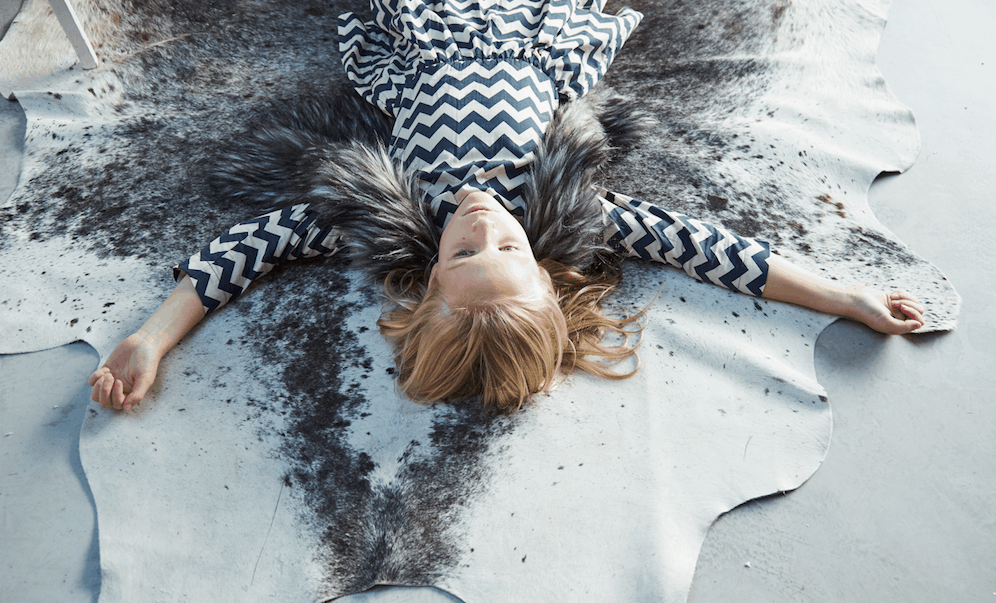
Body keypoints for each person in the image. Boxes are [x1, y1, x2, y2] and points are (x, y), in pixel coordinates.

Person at [88, 0, 925, 414]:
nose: (487, 225)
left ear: (427, 282)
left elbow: (250, 249)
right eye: (509, 251)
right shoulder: (566, 210)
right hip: (535, 26)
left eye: (464, 253)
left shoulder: (389, 215)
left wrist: (152, 336)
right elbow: (707, 248)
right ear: (546, 271)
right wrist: (842, 296)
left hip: (425, 27)